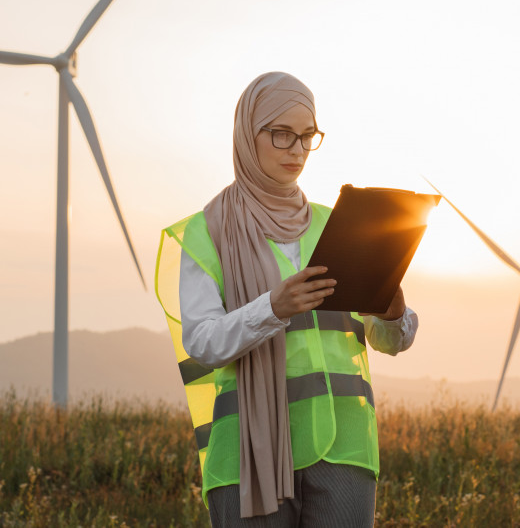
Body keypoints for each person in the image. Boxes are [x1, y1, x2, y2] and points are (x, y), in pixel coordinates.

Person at [155, 72, 418, 527]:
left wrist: (393, 310)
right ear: (246, 135)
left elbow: (390, 340)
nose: (297, 149)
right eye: (281, 134)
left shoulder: (338, 224)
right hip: (248, 454)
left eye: (307, 136)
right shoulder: (206, 233)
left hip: (345, 447)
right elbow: (201, 343)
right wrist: (272, 307)